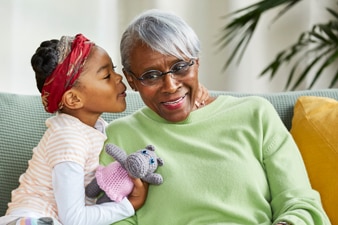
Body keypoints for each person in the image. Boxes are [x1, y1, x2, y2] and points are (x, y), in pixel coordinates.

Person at [100, 9, 332, 225]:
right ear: (131, 80)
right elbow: (111, 219)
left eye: (180, 66)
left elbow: (301, 204)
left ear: (197, 62)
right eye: (151, 75)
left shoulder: (255, 115)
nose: (170, 86)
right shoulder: (117, 137)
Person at [0, 34, 148, 225]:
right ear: (74, 99)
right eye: (106, 76)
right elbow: (74, 219)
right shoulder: (68, 137)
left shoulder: (97, 128)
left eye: (114, 70)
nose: (119, 77)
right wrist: (129, 206)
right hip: (32, 218)